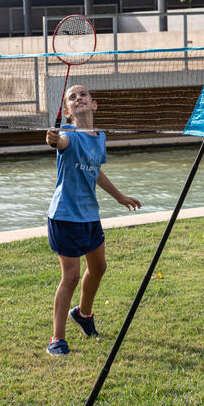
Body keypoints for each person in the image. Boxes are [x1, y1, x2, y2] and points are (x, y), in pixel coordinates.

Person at [44, 85, 141, 358]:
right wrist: (52, 139)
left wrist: (119, 196)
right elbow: (59, 142)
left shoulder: (99, 137)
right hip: (65, 215)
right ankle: (57, 339)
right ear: (67, 111)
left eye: (83, 95)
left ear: (94, 104)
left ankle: (84, 315)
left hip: (89, 214)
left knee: (98, 268)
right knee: (71, 276)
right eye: (72, 97)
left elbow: (94, 170)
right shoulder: (68, 134)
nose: (79, 99)